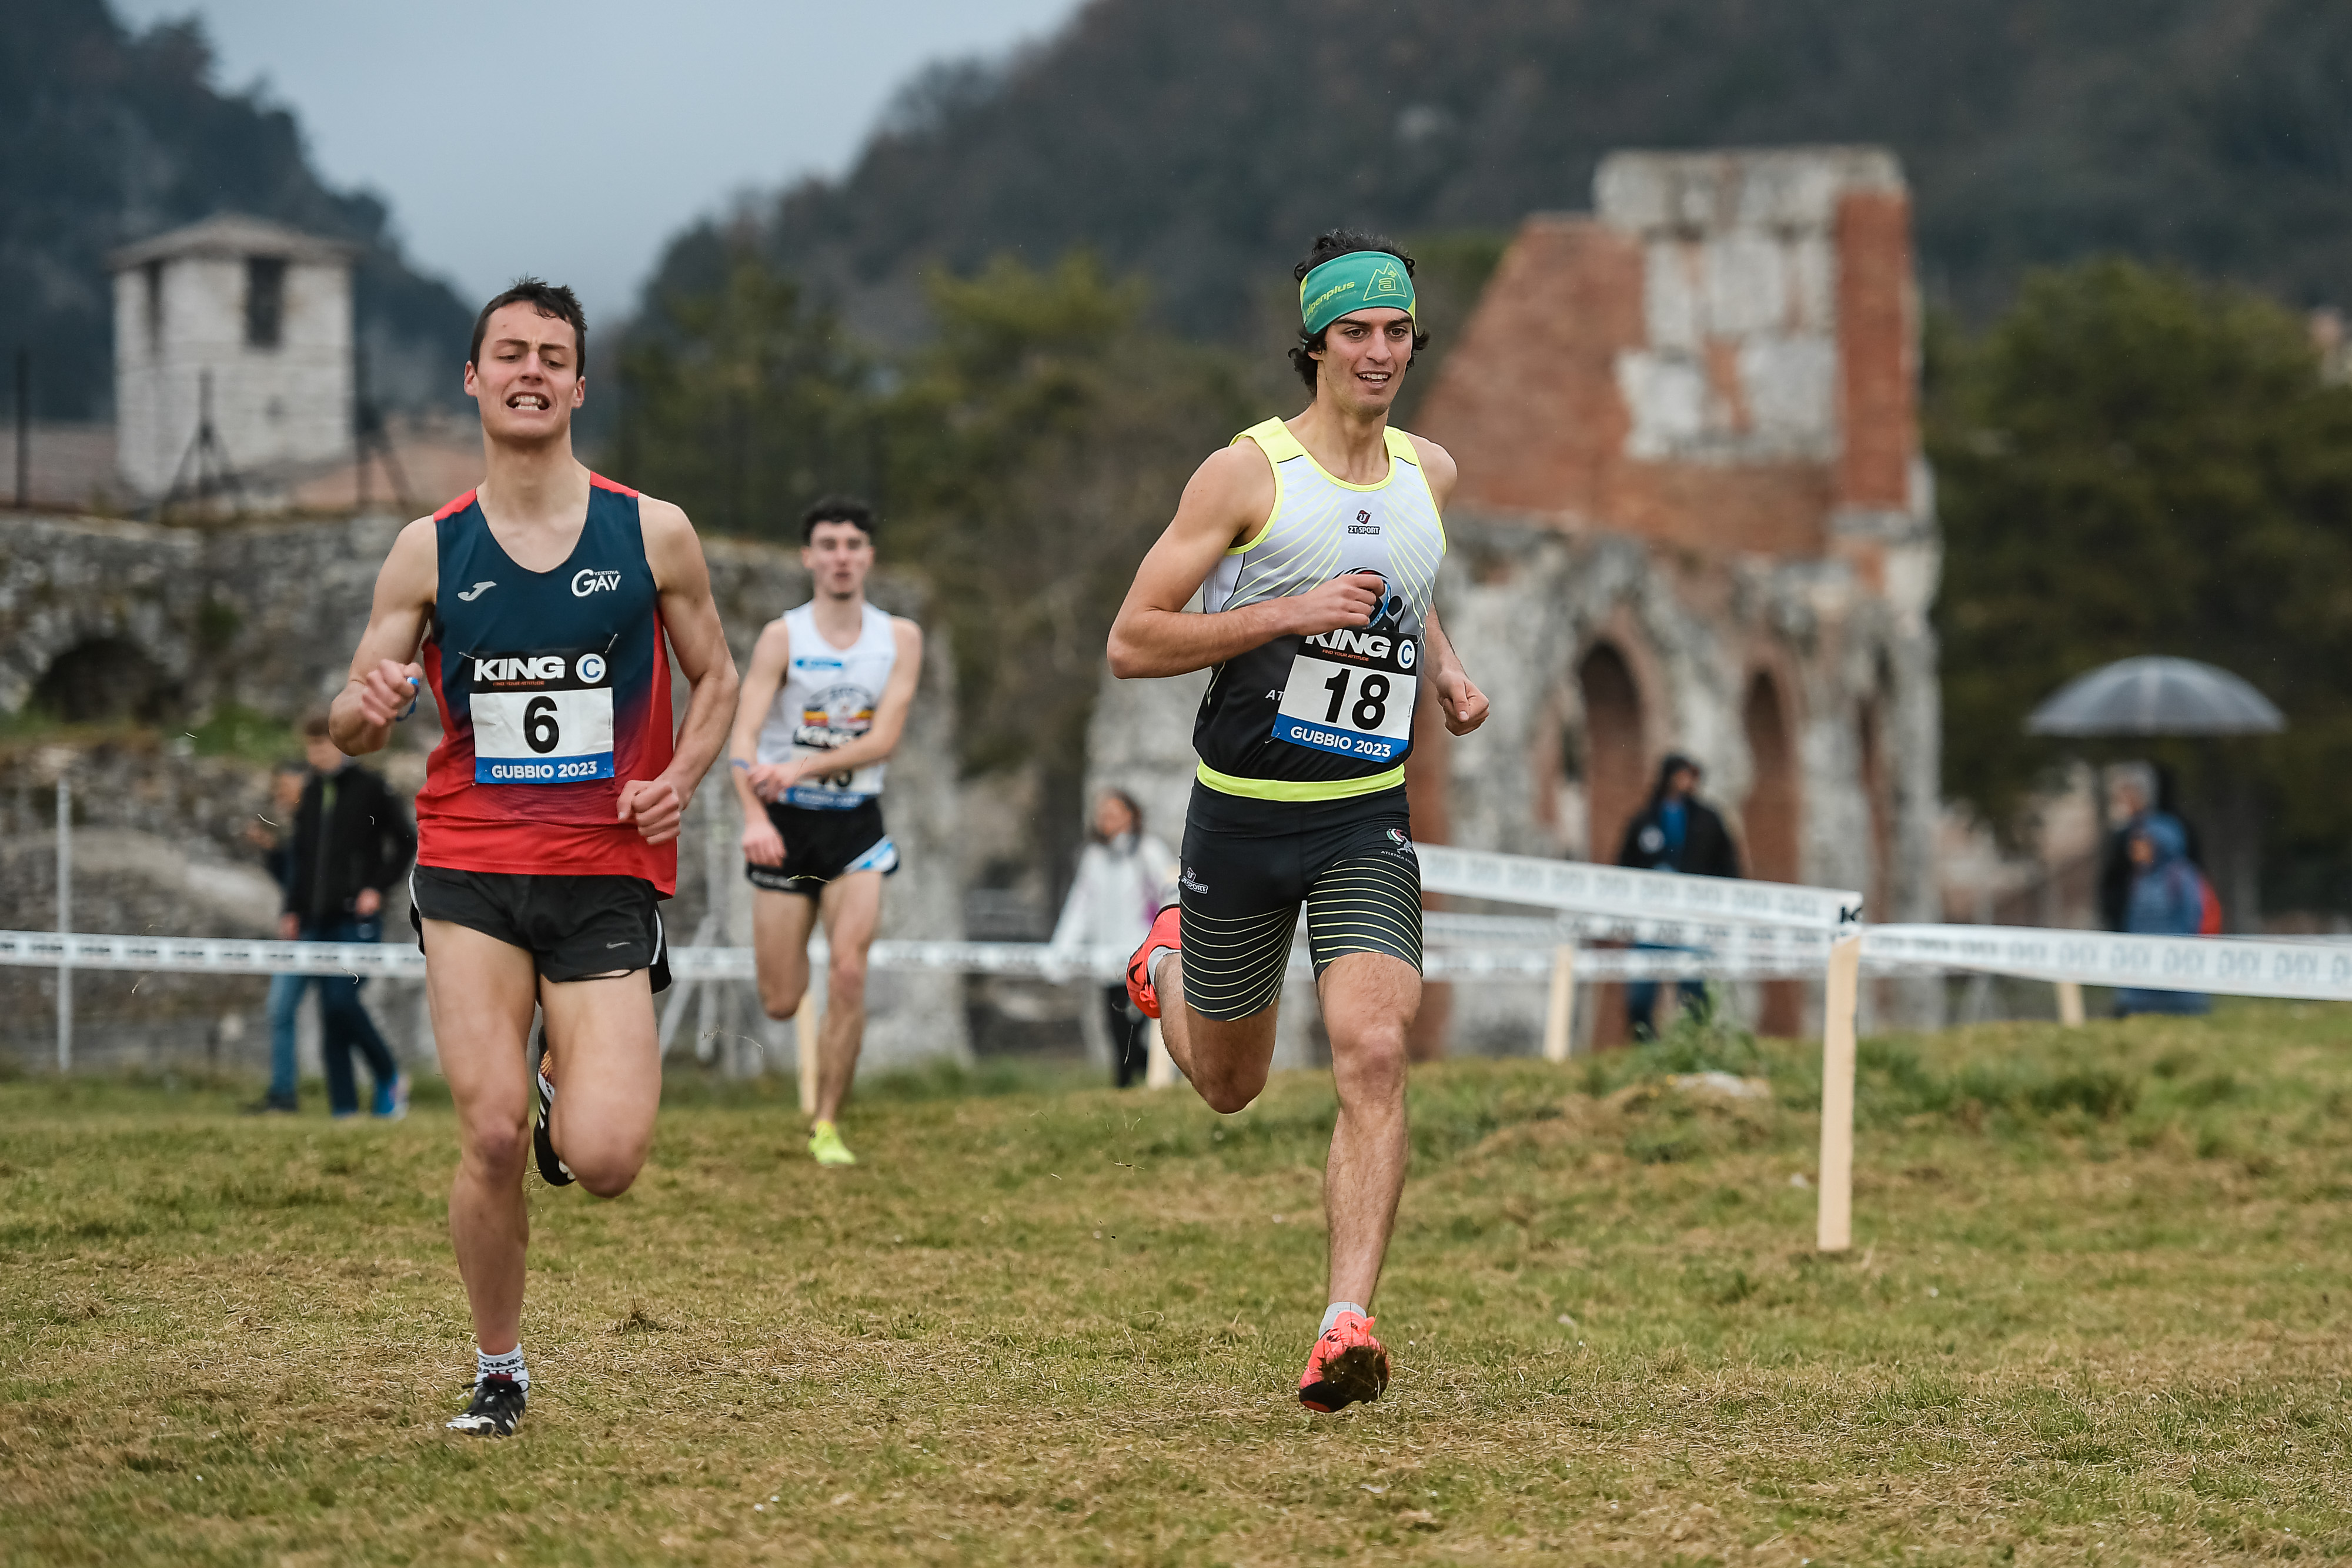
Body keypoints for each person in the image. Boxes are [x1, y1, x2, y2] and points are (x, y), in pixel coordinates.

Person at [329, 278, 740, 1438]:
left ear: (578, 385)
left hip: (606, 869)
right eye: (508, 353)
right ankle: (499, 1367)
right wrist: (366, 707)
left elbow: (717, 675)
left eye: (552, 356)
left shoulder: (651, 531)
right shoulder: (428, 549)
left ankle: (571, 1077)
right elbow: (352, 717)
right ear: (473, 378)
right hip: (471, 866)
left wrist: (682, 776)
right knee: (493, 1132)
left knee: (605, 1158)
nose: (530, 371)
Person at [1106, 229, 1489, 1413]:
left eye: (1397, 330)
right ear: (1314, 344)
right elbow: (1132, 641)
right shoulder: (1245, 476)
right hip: (1242, 818)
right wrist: (1283, 614)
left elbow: (1404, 583)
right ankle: (1164, 963)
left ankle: (1344, 1323)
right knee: (1230, 1084)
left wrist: (1443, 668)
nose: (1379, 351)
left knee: (1374, 1049)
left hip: (1363, 817)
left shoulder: (1431, 473)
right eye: (1354, 331)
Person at [729, 496, 922, 1168]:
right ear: (808, 557)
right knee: (781, 1001)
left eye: (853, 545)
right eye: (829, 545)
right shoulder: (783, 637)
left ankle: (827, 1123)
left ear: (869, 556)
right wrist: (754, 816)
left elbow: (885, 738)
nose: (842, 557)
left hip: (855, 826)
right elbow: (743, 739)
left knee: (847, 972)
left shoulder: (899, 638)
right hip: (784, 828)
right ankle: (818, 1106)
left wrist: (802, 765)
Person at [273, 715, 417, 1117]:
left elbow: (406, 841)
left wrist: (377, 887)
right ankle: (344, 1109)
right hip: (315, 921)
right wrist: (292, 909)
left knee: (341, 1001)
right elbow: (301, 858)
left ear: (340, 744)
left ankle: (389, 1076)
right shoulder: (311, 792)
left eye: (321, 745)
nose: (314, 754)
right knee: (329, 1013)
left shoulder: (372, 788)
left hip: (356, 919)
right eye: (310, 746)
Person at [1050, 788, 1178, 1087]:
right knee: (1119, 1036)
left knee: (1142, 1033)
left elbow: (1170, 896)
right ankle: (1128, 1088)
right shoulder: (1094, 857)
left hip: (1144, 962)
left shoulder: (1149, 852)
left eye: (1114, 814)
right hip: (1108, 966)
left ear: (1131, 816)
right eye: (1102, 814)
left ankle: (1151, 1083)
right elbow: (1080, 908)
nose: (1106, 820)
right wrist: (1061, 953)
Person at [1614, 753, 1742, 1039]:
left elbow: (1729, 866)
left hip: (1694, 919)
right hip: (1650, 922)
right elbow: (1624, 867)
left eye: (1693, 777)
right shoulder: (1645, 820)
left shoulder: (1709, 820)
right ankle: (1647, 1048)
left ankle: (1694, 1045)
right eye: (1683, 775)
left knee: (1694, 992)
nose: (1688, 783)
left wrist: (1725, 909)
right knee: (1640, 996)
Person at [241, 760, 310, 1115]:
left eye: (286, 787)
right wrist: (271, 851)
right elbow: (291, 879)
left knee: (339, 1012)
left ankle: (386, 1080)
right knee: (280, 1009)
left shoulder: (316, 828)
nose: (280, 795)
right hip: (299, 928)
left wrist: (294, 913)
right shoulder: (298, 829)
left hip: (315, 928)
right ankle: (283, 1094)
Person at [2114, 814, 2213, 1018]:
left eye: (2142, 844)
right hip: (2141, 985)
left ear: (2160, 845)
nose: (2134, 850)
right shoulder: (2139, 880)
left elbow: (2194, 921)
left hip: (2179, 986)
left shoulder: (2182, 877)